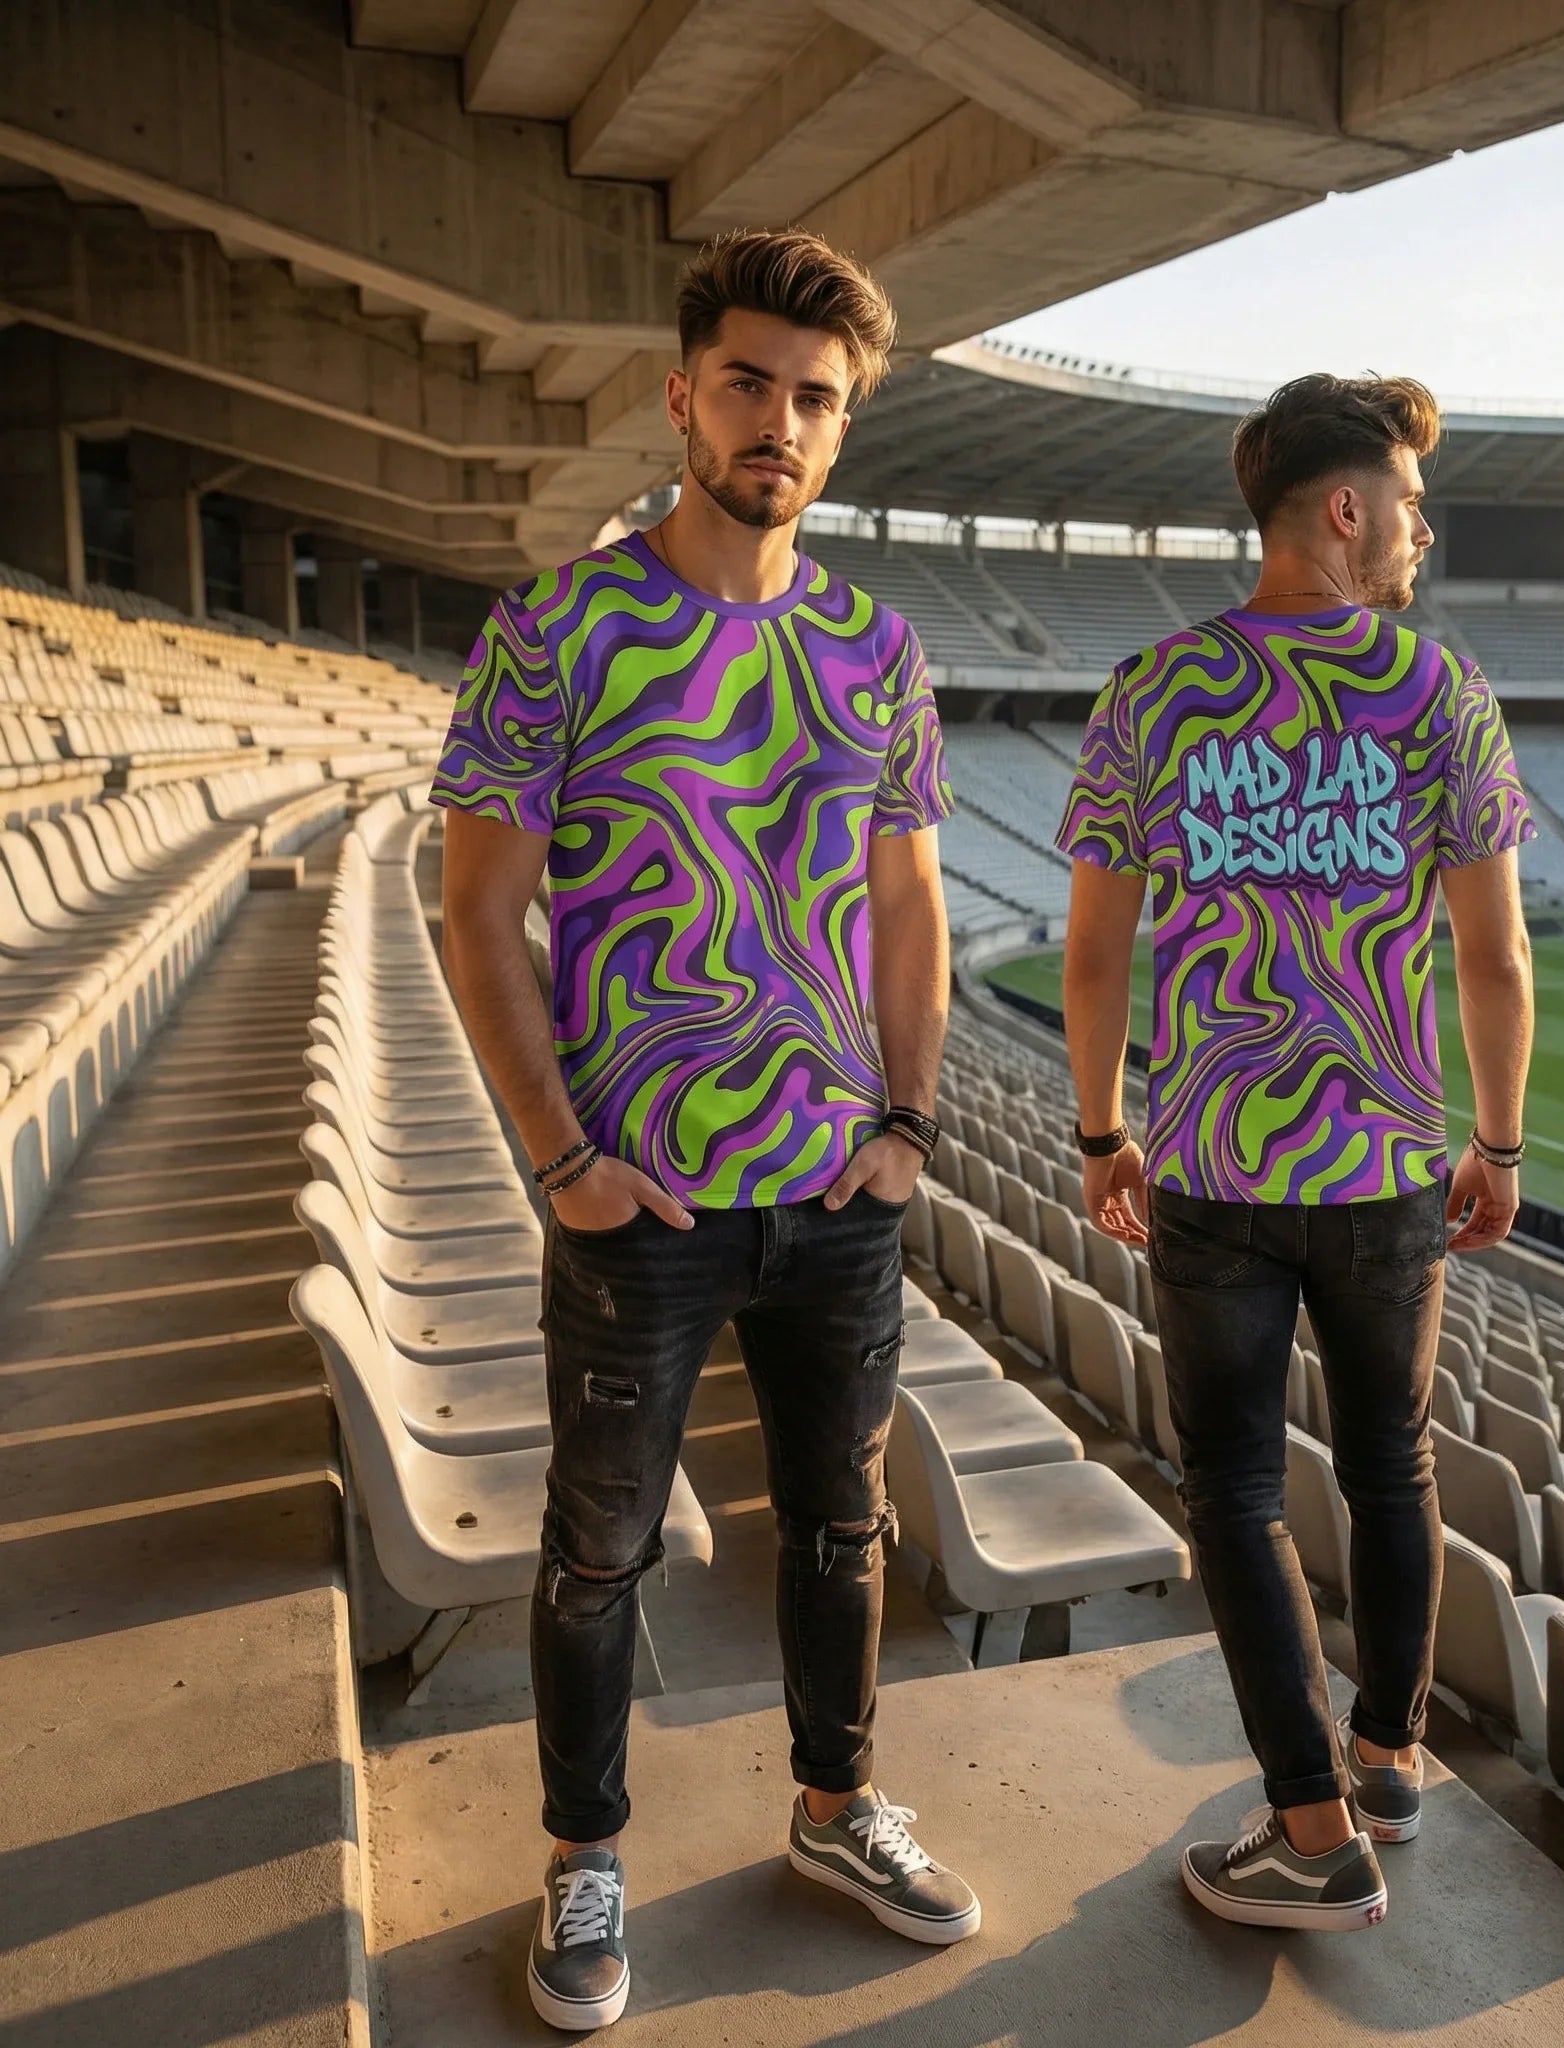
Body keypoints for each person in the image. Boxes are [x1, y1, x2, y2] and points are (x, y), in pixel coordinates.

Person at [433, 228, 978, 2033]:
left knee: (840, 1528)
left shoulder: (878, 647)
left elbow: (911, 908)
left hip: (834, 1192)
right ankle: (585, 1860)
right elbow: (475, 910)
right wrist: (563, 1157)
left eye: (815, 399)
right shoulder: (559, 627)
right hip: (638, 1206)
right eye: (748, 383)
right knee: (600, 1549)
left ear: (841, 432)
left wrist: (904, 1122)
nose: (780, 421)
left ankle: (835, 1809)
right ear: (682, 397)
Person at [1056, 373, 1535, 1932]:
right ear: (1344, 507)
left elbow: (1093, 959)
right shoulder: (1440, 688)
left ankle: (1312, 1818)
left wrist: (1100, 1131)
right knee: (1393, 1466)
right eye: (1403, 500)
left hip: (1212, 1164)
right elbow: (1496, 960)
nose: (1417, 528)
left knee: (1238, 1488)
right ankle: (1385, 1761)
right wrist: (1502, 1141)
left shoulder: (1156, 689)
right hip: (1390, 1166)